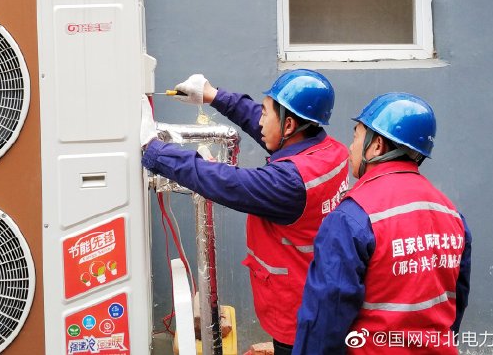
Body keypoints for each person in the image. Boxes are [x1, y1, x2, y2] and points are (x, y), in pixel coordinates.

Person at [140, 70, 350, 355]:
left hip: (297, 314)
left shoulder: (289, 183)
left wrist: (154, 150)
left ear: (289, 125)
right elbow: (264, 125)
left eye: (265, 114)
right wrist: (212, 95)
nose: (259, 121)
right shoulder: (331, 151)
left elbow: (224, 182)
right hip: (321, 296)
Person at [294, 92, 472, 354]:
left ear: (377, 145)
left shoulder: (351, 217)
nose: (351, 147)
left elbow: (325, 318)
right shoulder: (451, 213)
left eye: (356, 136)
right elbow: (456, 303)